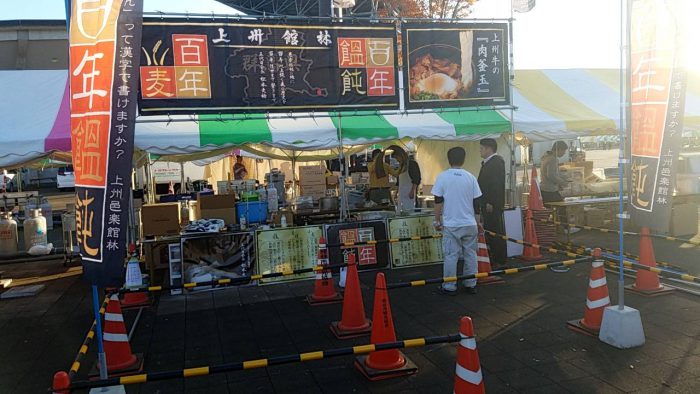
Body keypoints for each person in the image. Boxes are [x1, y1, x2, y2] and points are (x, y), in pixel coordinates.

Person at [432, 147, 482, 295]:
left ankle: (449, 286)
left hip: (451, 224)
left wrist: (437, 220)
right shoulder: (471, 177)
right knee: (470, 254)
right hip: (470, 223)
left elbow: (438, 201)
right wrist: (478, 222)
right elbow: (477, 204)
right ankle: (471, 284)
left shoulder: (443, 177)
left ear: (449, 159)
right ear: (464, 159)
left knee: (451, 255)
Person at [539, 140, 572, 272]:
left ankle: (551, 232)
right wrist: (563, 182)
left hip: (545, 189)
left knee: (548, 212)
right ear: (558, 149)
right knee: (562, 207)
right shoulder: (553, 159)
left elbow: (550, 174)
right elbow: (551, 175)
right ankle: (565, 228)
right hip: (550, 190)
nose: (564, 153)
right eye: (563, 151)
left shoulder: (545, 157)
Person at [476, 138, 507, 266]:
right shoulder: (489, 162)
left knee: (495, 230)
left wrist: (491, 202)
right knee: (491, 229)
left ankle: (499, 258)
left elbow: (496, 184)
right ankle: (495, 256)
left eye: (482, 148)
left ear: (489, 149)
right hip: (487, 202)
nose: (480, 151)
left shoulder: (495, 162)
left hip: (492, 204)